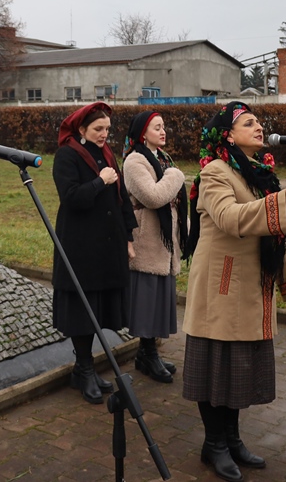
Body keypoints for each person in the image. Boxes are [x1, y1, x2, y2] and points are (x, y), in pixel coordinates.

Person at [182, 101, 286, 482]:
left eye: (260, 121)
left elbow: (279, 238)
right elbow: (230, 218)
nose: (259, 127)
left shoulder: (260, 175)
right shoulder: (215, 172)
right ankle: (213, 445)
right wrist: (281, 203)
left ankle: (232, 439)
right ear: (229, 135)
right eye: (249, 123)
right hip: (221, 288)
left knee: (238, 371)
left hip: (252, 288)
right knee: (216, 370)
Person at [51, 102, 138, 404]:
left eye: (107, 130)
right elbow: (71, 197)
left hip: (107, 245)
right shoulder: (66, 155)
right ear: (82, 130)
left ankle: (84, 368)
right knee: (82, 309)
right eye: (98, 129)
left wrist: (128, 237)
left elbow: (122, 198)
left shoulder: (108, 154)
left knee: (99, 308)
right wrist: (101, 180)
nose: (104, 134)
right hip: (80, 246)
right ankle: (84, 369)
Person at [122, 111, 188, 384]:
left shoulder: (163, 158)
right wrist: (176, 176)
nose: (163, 131)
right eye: (157, 127)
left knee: (159, 300)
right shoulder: (134, 160)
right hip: (147, 242)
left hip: (164, 243)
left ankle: (147, 352)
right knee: (147, 301)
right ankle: (147, 354)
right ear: (142, 132)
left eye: (164, 127)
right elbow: (153, 196)